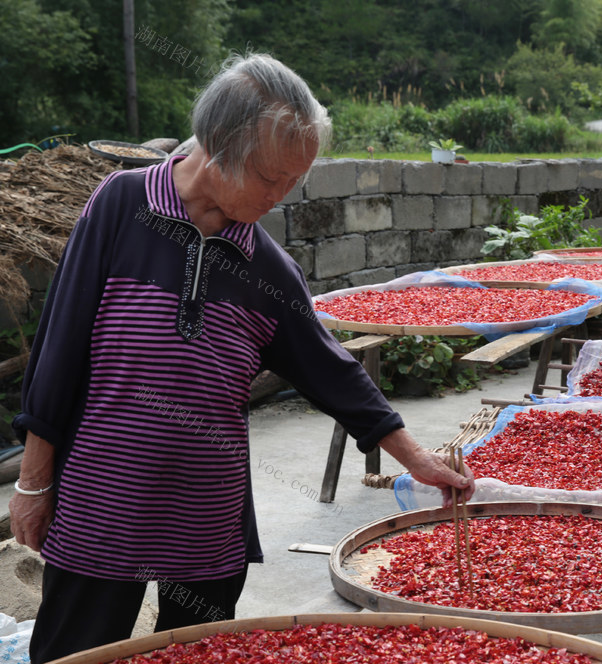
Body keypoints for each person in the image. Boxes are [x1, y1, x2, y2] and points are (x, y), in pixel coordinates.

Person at [8, 52, 473, 662]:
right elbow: (59, 347)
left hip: (207, 513)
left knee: (202, 650)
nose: (280, 197)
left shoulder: (267, 268)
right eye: (269, 178)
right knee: (74, 650)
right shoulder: (121, 206)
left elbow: (330, 369)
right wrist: (34, 483)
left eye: (293, 182)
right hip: (104, 502)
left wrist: (417, 459)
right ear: (217, 145)